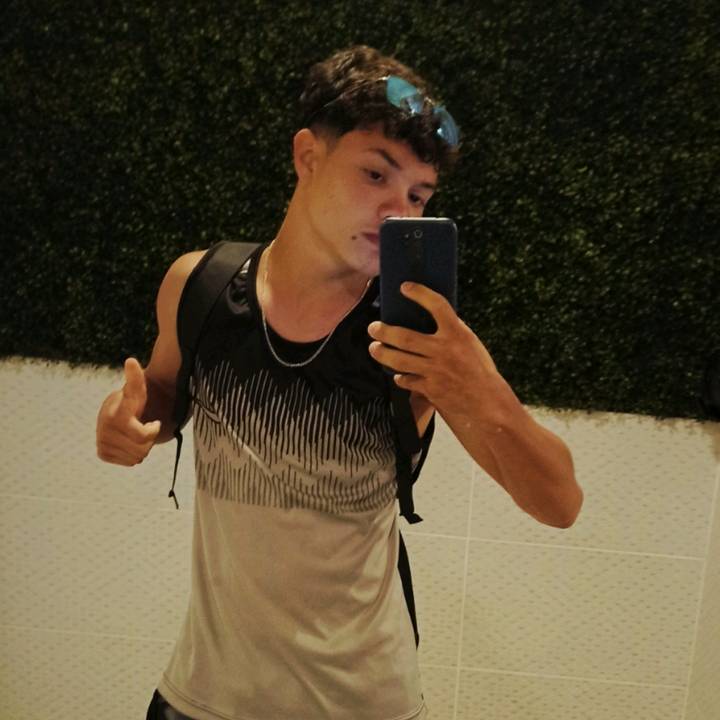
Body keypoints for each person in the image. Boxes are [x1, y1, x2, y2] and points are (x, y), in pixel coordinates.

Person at [96, 45, 583, 720]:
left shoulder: (413, 338)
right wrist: (127, 422)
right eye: (375, 174)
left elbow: (559, 503)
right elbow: (163, 393)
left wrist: (480, 389)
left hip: (362, 705)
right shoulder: (200, 285)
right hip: (203, 697)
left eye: (417, 195)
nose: (396, 209)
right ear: (308, 156)